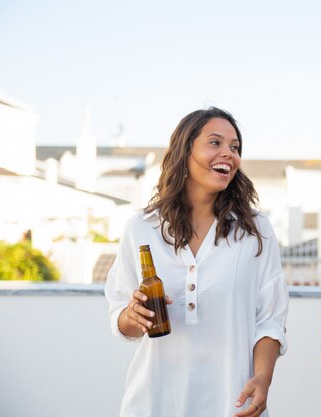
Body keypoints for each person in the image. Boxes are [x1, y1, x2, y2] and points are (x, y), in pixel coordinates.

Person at [105, 107, 288, 417]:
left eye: (235, 147)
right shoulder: (141, 227)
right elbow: (120, 318)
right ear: (184, 151)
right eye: (215, 142)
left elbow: (269, 320)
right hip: (153, 404)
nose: (228, 154)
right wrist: (133, 315)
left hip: (233, 404)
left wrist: (263, 379)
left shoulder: (256, 231)